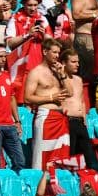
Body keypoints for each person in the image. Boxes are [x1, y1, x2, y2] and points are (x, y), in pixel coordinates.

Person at [24, 38, 68, 169]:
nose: (57, 56)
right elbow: (27, 98)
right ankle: (38, 185)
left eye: (58, 53)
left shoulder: (58, 71)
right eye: (54, 52)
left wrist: (62, 75)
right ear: (44, 51)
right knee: (42, 155)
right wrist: (51, 97)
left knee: (62, 156)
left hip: (60, 118)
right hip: (45, 117)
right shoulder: (35, 72)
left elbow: (69, 92)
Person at [59, 48, 97, 171]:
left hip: (80, 122)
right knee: (71, 155)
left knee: (90, 157)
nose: (77, 64)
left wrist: (85, 120)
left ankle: (94, 183)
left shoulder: (78, 80)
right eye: (73, 62)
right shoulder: (59, 79)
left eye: (78, 62)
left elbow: (81, 101)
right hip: (67, 121)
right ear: (64, 63)